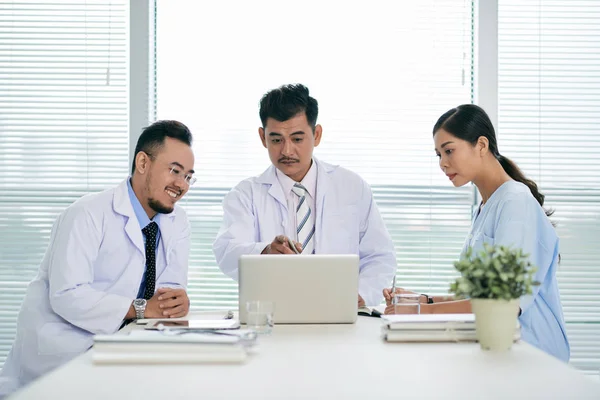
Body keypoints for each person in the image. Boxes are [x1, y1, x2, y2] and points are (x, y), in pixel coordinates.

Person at [0, 120, 195, 396]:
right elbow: (67, 294)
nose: (181, 185)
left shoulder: (178, 221)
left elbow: (168, 291)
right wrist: (140, 308)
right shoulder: (87, 213)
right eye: (174, 171)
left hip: (125, 348)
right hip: (64, 355)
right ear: (142, 163)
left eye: (188, 176)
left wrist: (176, 301)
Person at [383, 104, 570, 362]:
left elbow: (500, 305)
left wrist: (419, 311)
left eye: (449, 151)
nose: (442, 163)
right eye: (438, 154)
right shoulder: (486, 206)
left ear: (481, 145)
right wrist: (422, 299)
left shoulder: (514, 202)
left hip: (532, 354)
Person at [213, 84, 396, 307]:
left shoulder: (352, 187)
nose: (287, 151)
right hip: (275, 315)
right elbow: (227, 251)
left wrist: (360, 295)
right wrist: (265, 251)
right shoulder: (245, 194)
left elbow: (379, 255)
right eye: (276, 139)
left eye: (297, 139)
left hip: (341, 314)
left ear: (316, 134)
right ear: (263, 138)